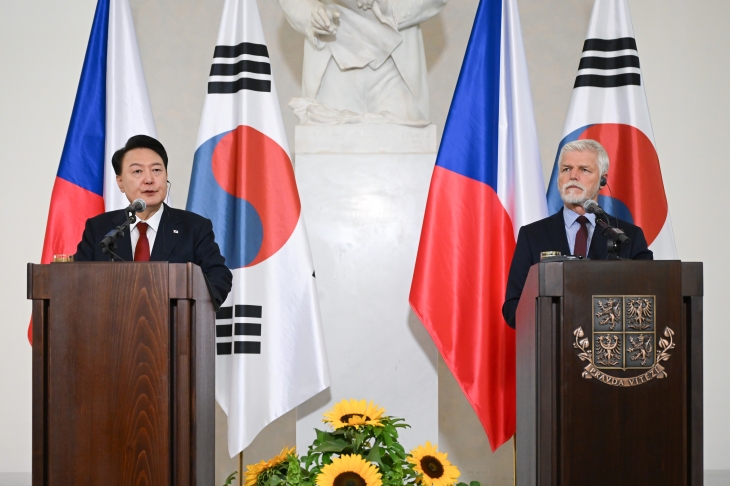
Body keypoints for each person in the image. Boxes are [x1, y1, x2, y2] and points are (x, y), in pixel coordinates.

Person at [502, 139, 653, 328]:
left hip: (609, 350)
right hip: (552, 350)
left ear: (602, 180)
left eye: (584, 169)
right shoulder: (532, 235)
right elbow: (512, 308)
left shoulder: (627, 237)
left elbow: (646, 302)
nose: (573, 175)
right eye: (566, 169)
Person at [75, 135, 232, 307]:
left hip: (176, 330)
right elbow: (76, 280)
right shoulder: (99, 229)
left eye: (157, 170)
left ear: (166, 175)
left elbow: (218, 276)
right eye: (137, 171)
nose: (149, 179)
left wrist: (192, 311)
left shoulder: (194, 227)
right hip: (110, 330)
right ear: (120, 182)